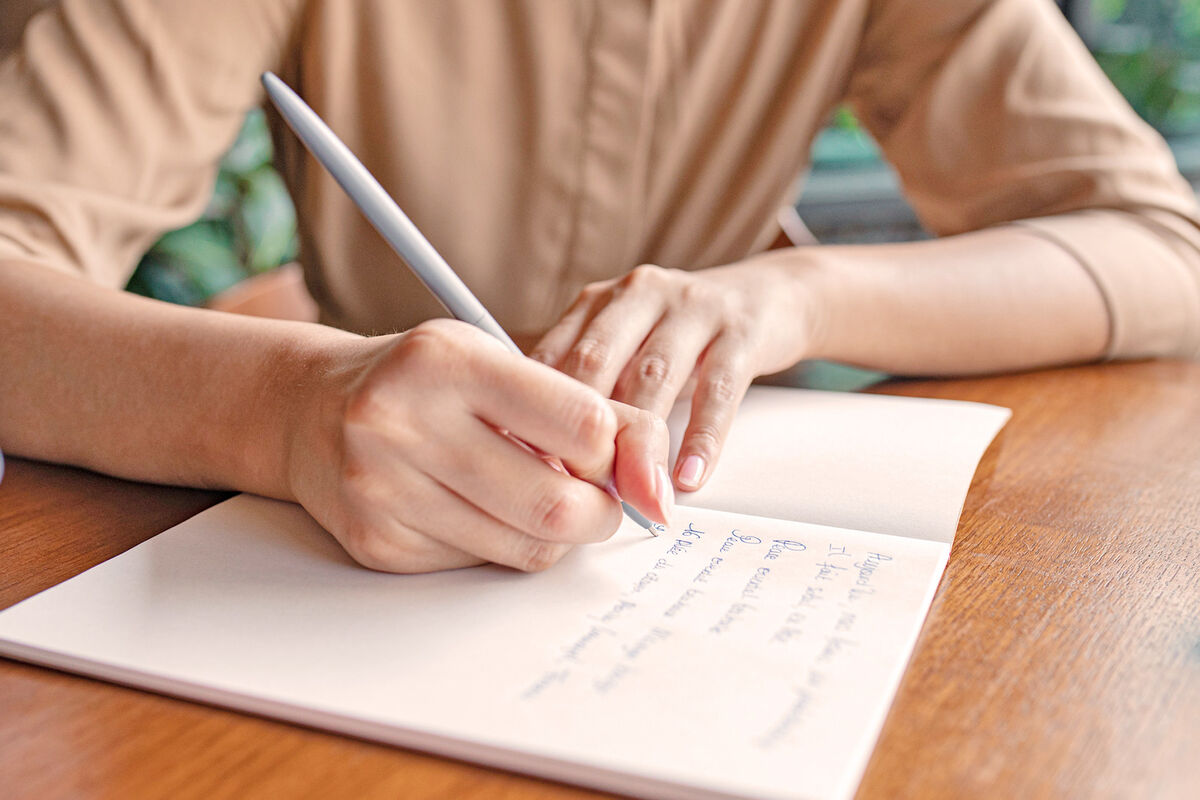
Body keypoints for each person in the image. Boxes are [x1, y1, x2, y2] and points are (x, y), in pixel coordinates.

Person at [2, 0, 1197, 573]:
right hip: (341, 556)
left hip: (659, 546)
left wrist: (788, 298)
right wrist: (295, 408)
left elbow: (1164, 245)